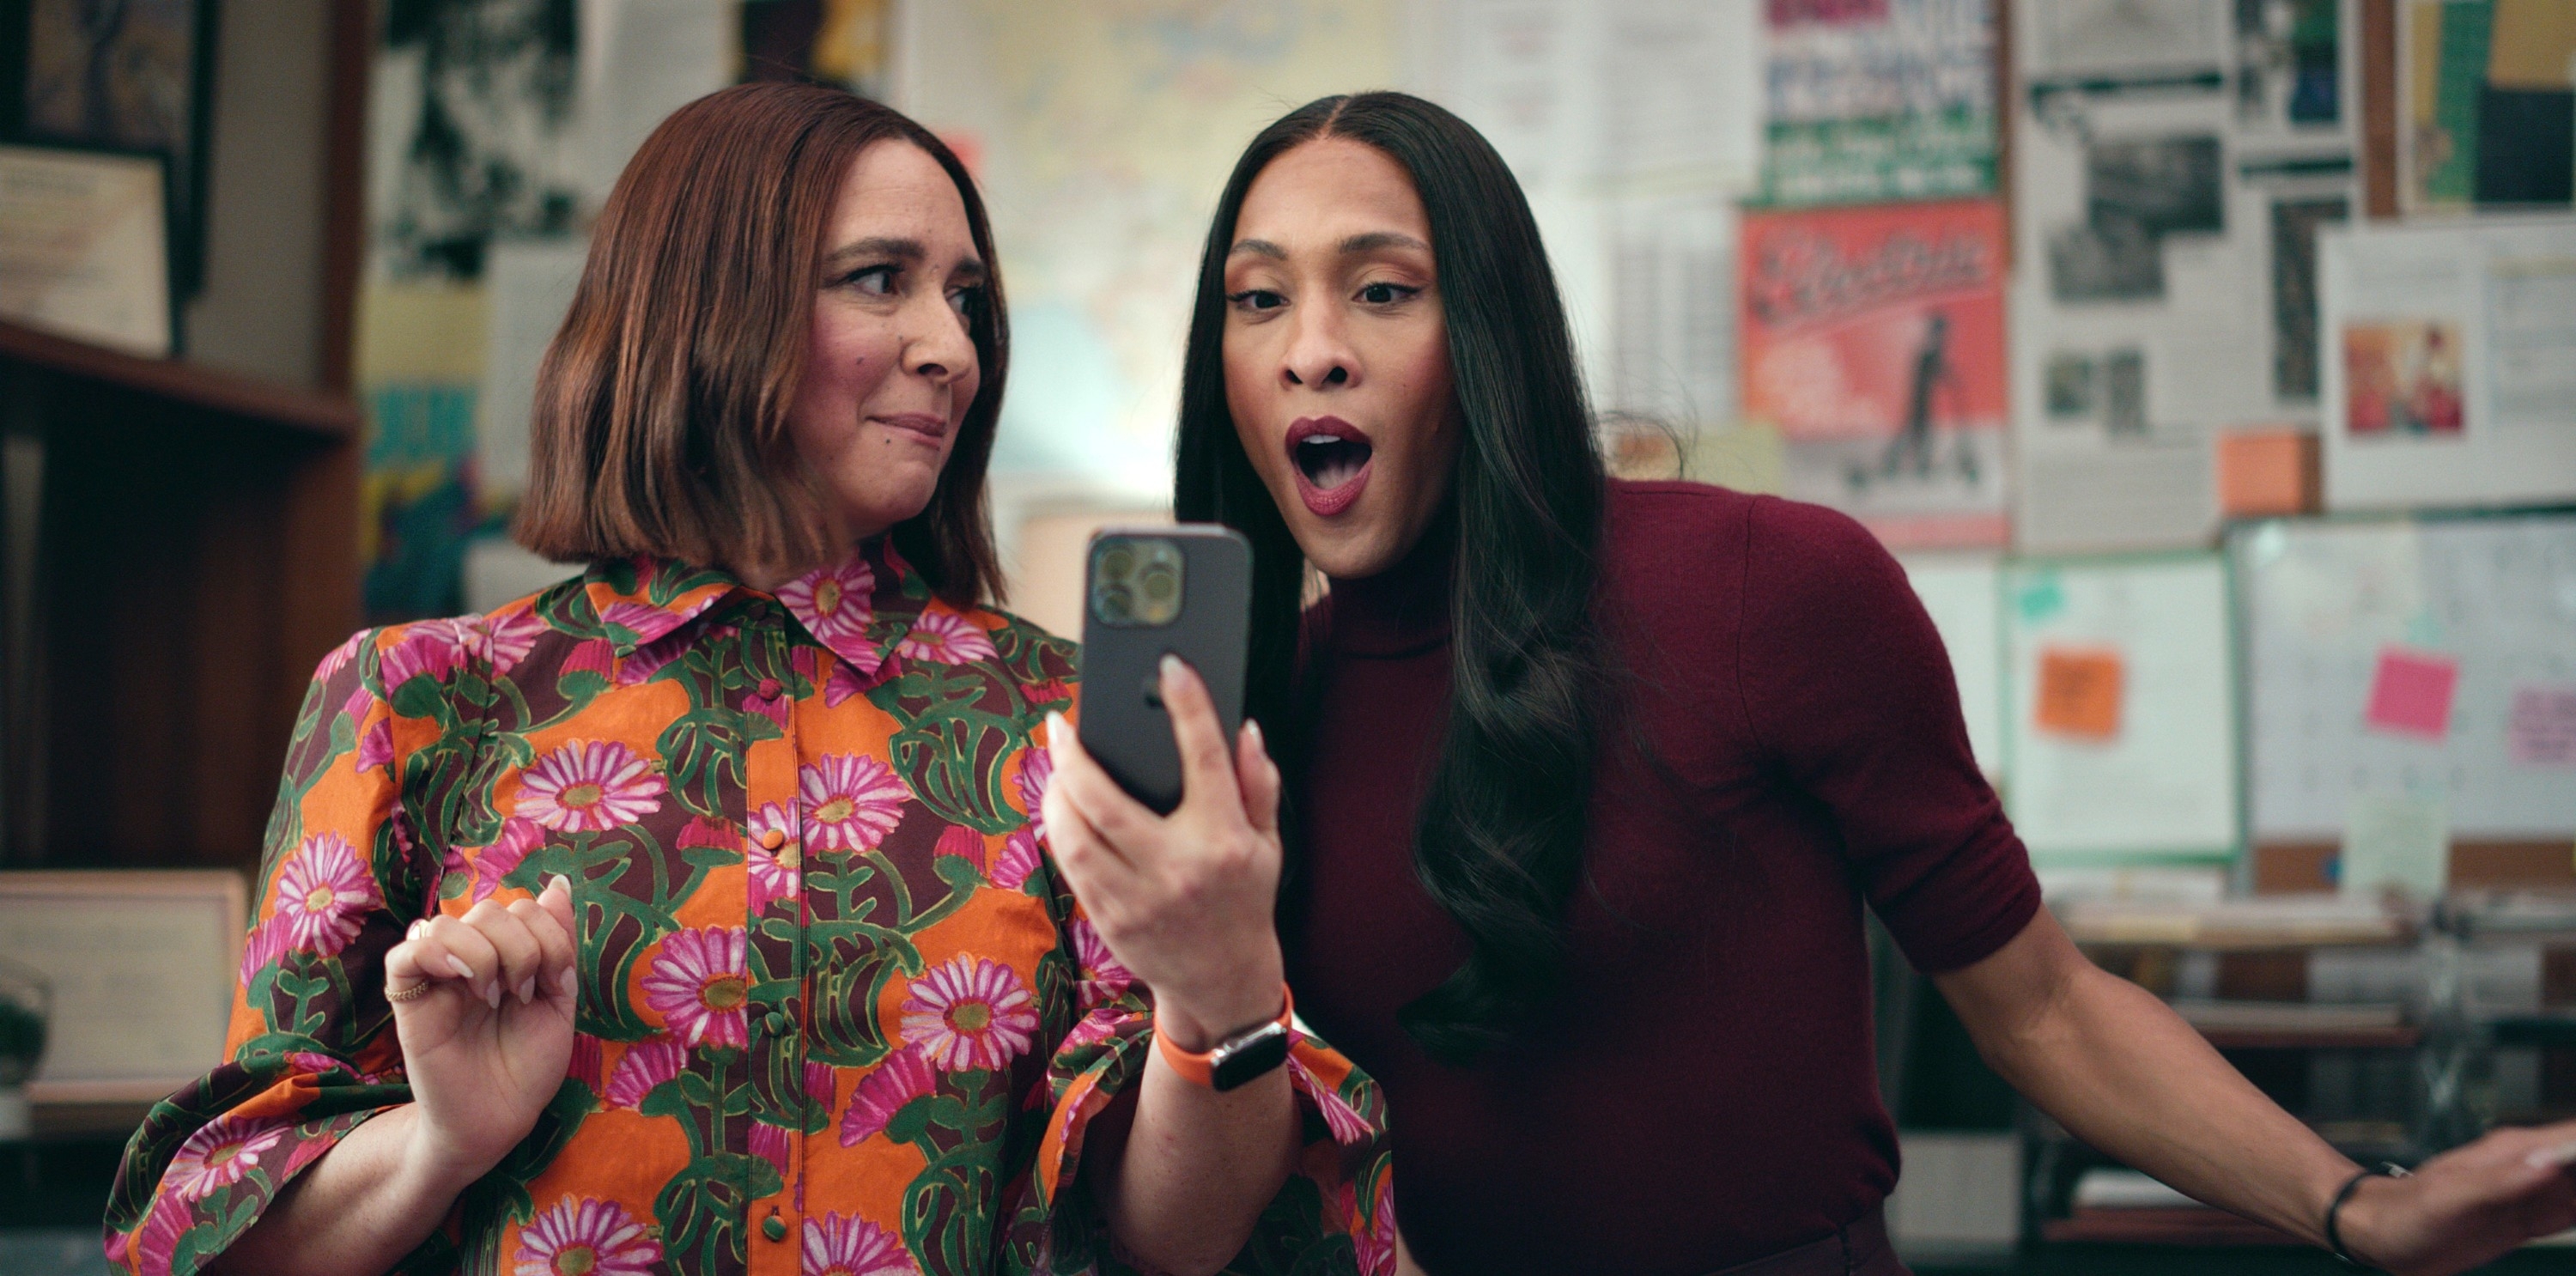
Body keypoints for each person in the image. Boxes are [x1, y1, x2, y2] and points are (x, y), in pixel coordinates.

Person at [1133, 89, 2576, 1275]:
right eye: (1258, 302)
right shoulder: (1243, 728)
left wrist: (2358, 1206)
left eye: (1382, 291)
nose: (1311, 346)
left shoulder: (1772, 587)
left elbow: (2044, 1005)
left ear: (1490, 338)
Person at [102, 83, 1388, 1276]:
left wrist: (1217, 995)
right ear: (705, 304)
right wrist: (439, 1138)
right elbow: (212, 1239)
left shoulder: (1055, 725)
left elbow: (1181, 1235)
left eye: (968, 299)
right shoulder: (417, 700)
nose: (952, 347)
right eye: (882, 280)